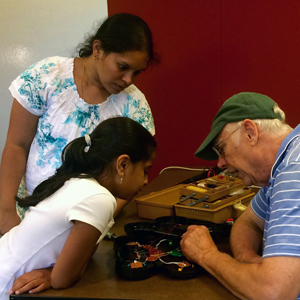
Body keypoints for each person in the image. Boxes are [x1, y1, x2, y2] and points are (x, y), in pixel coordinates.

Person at [0, 12, 159, 235]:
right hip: (27, 214)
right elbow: (17, 145)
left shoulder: (134, 105)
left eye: (137, 72)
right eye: (122, 67)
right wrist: (6, 213)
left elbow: (132, 177)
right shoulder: (46, 77)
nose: (128, 80)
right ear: (98, 49)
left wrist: (93, 222)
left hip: (86, 223)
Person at [0, 116, 156, 299]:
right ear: (122, 165)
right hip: (8, 287)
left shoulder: (79, 180)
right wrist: (54, 274)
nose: (146, 181)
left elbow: (84, 253)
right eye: (145, 170)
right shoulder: (100, 199)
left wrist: (57, 271)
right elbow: (61, 280)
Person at [180, 92, 300, 300]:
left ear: (250, 132)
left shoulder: (294, 172)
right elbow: (247, 222)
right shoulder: (283, 164)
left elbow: (273, 293)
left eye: (222, 149)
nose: (220, 164)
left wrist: (206, 254)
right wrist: (248, 259)